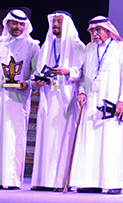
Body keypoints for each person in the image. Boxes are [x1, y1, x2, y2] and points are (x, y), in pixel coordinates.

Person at [70, 16, 123, 194]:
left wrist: (122, 99)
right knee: (90, 142)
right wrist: (81, 92)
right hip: (91, 102)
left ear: (108, 30)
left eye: (98, 30)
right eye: (92, 30)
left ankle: (113, 183)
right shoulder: (88, 49)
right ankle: (91, 182)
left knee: (111, 142)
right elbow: (83, 75)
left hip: (112, 102)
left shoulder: (120, 48)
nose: (95, 33)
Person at [0, 9, 39, 189]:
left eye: (21, 24)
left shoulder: (32, 46)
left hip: (17, 100)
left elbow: (37, 73)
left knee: (14, 136)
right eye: (14, 23)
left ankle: (11, 180)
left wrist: (28, 84)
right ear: (7, 23)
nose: (17, 27)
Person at [30, 11, 85, 191]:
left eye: (59, 22)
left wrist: (68, 71)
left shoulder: (77, 46)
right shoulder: (47, 45)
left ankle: (61, 181)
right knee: (47, 136)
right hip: (48, 94)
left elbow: (82, 72)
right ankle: (43, 180)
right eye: (53, 21)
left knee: (64, 136)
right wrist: (37, 80)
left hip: (67, 96)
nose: (55, 25)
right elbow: (38, 69)